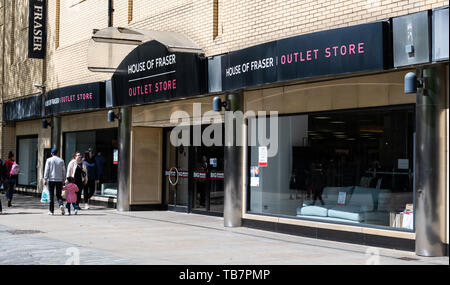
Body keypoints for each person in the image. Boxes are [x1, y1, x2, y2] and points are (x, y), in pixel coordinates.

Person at [44, 148, 66, 215]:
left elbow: (46, 170)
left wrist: (45, 179)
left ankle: (51, 211)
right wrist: (63, 180)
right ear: (58, 153)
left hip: (51, 180)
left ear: (51, 153)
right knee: (59, 195)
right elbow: (63, 171)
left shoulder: (49, 160)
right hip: (59, 180)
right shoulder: (61, 160)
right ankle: (61, 204)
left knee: (51, 195)